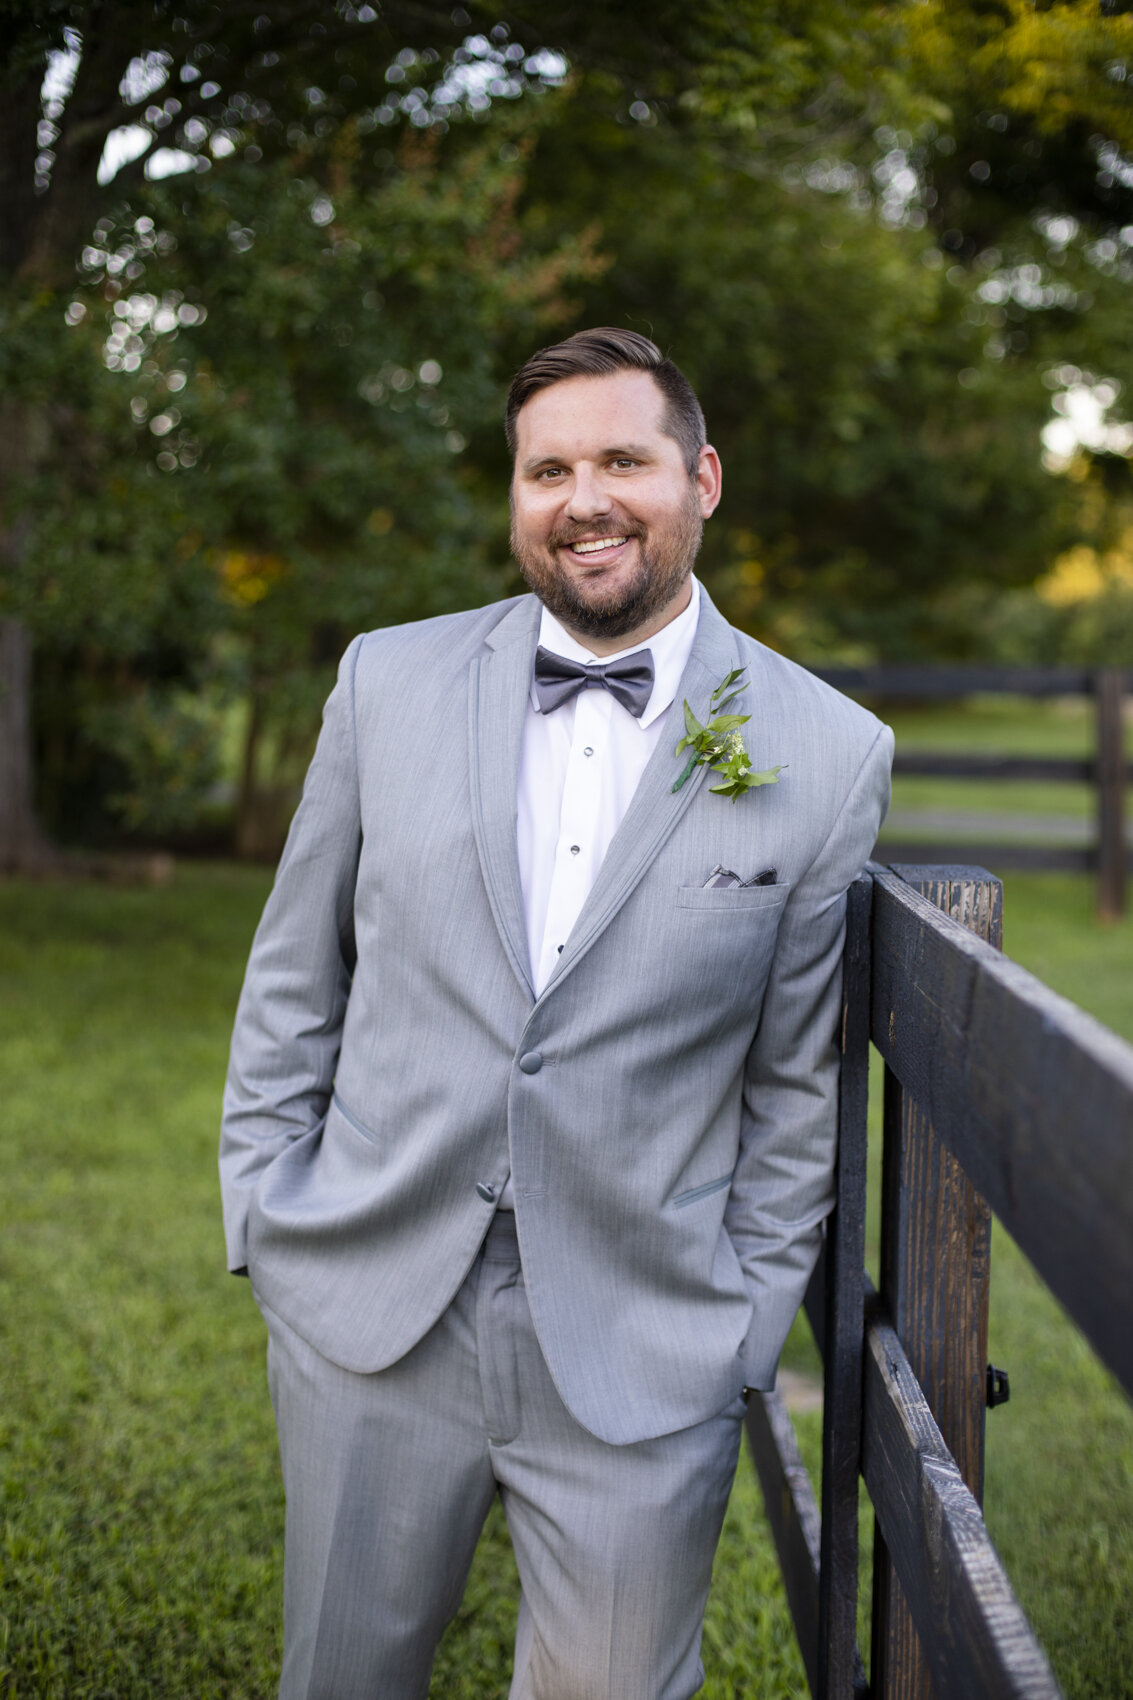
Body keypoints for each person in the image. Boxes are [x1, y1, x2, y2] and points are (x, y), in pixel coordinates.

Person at [220, 326, 892, 1700]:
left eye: (621, 460)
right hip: (369, 1305)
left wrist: (742, 1323)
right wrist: (268, 1217)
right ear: (516, 496)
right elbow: (294, 978)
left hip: (645, 1343)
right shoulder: (384, 684)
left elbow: (793, 1080)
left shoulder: (826, 752)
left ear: (700, 477)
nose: (582, 498)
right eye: (546, 469)